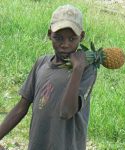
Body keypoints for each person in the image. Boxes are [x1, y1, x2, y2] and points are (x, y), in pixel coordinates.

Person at [0, 4, 97, 150]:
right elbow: (21, 107)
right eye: (58, 38)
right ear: (49, 34)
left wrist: (77, 69)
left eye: (72, 39)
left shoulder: (87, 69)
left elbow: (66, 111)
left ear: (81, 37)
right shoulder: (41, 63)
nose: (65, 44)